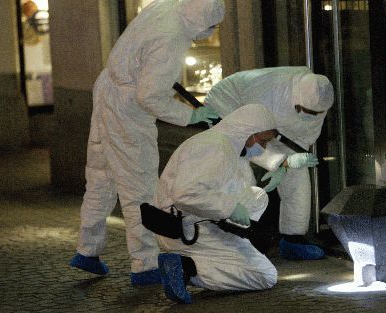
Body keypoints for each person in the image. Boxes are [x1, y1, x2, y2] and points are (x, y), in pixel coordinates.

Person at [69, 0, 226, 286]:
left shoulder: (167, 6)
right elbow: (149, 97)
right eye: (212, 28)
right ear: (203, 22)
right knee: (139, 186)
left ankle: (86, 250)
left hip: (107, 90)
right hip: (127, 108)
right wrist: (192, 115)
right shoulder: (173, 39)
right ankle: (145, 264)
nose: (211, 32)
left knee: (101, 178)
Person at [204, 66, 334, 260]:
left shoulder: (319, 99)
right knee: (242, 173)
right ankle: (239, 239)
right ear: (296, 99)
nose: (308, 115)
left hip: (270, 121)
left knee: (298, 174)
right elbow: (250, 140)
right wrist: (281, 161)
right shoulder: (267, 90)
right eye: (303, 110)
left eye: (313, 113)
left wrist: (296, 159)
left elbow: (302, 136)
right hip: (229, 106)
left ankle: (293, 239)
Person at [154, 104, 278, 304]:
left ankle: (230, 247)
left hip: (191, 218)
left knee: (257, 196)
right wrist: (230, 208)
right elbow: (186, 194)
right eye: (263, 141)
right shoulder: (215, 147)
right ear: (249, 133)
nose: (263, 148)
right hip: (185, 230)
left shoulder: (224, 143)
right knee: (265, 275)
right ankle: (187, 268)